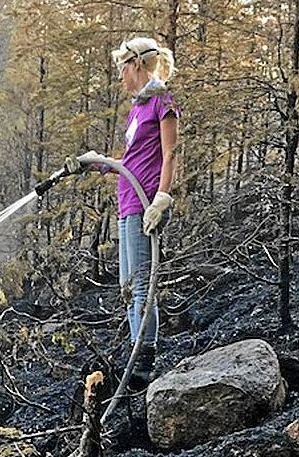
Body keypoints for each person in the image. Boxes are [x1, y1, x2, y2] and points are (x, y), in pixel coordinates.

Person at [65, 37, 181, 389]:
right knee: (127, 285)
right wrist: (98, 162)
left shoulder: (162, 100)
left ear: (136, 65)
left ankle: (143, 362)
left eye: (123, 68)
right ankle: (134, 353)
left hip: (146, 202)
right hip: (128, 202)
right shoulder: (137, 108)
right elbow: (130, 161)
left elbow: (171, 151)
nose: (121, 77)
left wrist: (162, 196)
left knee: (142, 285)